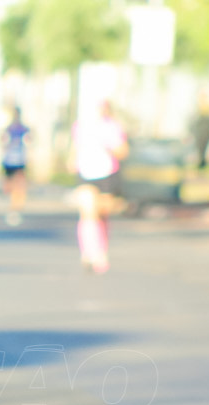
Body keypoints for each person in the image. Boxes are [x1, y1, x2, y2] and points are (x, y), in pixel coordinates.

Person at [69, 100, 128, 274]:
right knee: (87, 212)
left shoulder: (113, 127)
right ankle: (89, 252)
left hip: (106, 173)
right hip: (86, 173)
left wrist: (110, 145)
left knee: (102, 215)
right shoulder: (80, 126)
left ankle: (101, 250)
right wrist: (72, 160)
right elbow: (75, 147)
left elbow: (123, 151)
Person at [1, 107, 30, 226]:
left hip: (19, 160)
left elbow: (29, 142)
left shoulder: (23, 129)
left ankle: (15, 208)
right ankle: (13, 205)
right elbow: (3, 142)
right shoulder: (9, 129)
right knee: (10, 186)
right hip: (9, 160)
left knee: (19, 185)